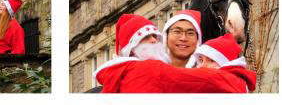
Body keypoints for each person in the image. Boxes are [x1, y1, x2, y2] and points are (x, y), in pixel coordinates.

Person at [95, 14, 251, 93]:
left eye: (155, 36)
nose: (153, 41)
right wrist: (234, 79)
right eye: (145, 37)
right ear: (131, 47)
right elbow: (202, 80)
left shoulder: (121, 74)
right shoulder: (145, 69)